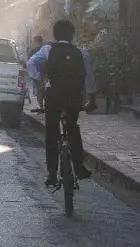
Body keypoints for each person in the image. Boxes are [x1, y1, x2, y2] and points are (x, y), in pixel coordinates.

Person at [26, 19, 96, 187]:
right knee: (72, 128)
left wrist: (39, 80)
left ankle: (51, 173)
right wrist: (91, 98)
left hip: (53, 96)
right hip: (73, 97)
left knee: (51, 132)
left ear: (55, 35)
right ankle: (79, 167)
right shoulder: (81, 52)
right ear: (72, 35)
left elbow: (31, 64)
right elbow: (90, 78)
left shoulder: (48, 49)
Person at [28, 35, 46, 107]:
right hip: (45, 74)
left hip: (37, 74)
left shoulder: (32, 51)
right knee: (45, 90)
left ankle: (41, 107)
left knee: (39, 91)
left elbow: (29, 63)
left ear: (36, 42)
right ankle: (45, 107)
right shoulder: (46, 50)